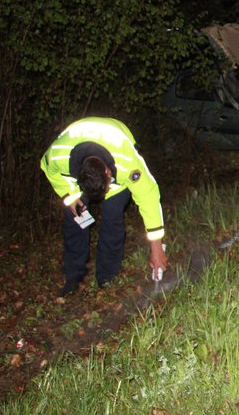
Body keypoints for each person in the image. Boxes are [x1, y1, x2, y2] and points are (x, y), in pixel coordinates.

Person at [40, 117, 168, 295]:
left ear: (108, 172)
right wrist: (69, 196)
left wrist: (156, 247)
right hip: (79, 162)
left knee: (112, 216)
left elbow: (149, 196)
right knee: (76, 219)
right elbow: (47, 168)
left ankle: (107, 277)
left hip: (117, 160)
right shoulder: (59, 156)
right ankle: (73, 277)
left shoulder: (127, 162)